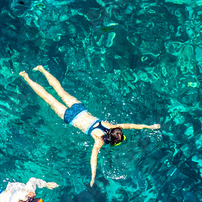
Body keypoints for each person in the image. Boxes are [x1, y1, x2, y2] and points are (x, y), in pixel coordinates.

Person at [19, 65, 161, 186]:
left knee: (60, 90)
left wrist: (150, 126)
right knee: (48, 98)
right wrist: (93, 177)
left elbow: (131, 125)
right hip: (71, 118)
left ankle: (42, 69)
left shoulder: (112, 125)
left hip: (80, 109)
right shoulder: (98, 140)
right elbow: (93, 159)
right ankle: (26, 77)